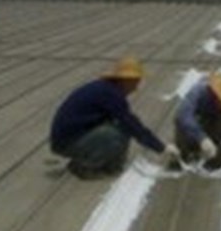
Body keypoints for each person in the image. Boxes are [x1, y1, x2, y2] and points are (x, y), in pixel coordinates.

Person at [49, 56, 179, 179]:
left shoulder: (106, 88)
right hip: (66, 142)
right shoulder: (111, 95)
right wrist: (161, 148)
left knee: (118, 127)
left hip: (68, 137)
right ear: (126, 80)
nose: (136, 87)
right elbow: (132, 126)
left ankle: (97, 161)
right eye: (135, 82)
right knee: (116, 134)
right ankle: (84, 167)